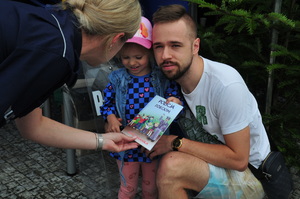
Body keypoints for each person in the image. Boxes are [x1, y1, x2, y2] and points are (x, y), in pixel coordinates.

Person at [146, 4, 271, 199]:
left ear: (195, 46)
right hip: (212, 161)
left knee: (171, 167)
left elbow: (239, 159)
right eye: (158, 46)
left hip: (250, 176)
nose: (165, 56)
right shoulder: (169, 79)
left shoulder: (226, 85)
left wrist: (175, 142)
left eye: (175, 45)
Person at [0, 0, 142, 152]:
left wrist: (102, 141)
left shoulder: (56, 25)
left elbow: (33, 126)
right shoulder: (57, 53)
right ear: (115, 39)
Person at [100, 16, 182, 199]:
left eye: (139, 57)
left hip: (152, 144)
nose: (132, 62)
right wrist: (110, 117)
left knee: (151, 188)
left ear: (150, 54)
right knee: (127, 187)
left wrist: (174, 101)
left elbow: (175, 96)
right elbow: (106, 103)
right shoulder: (117, 78)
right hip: (125, 143)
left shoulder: (161, 78)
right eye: (126, 57)